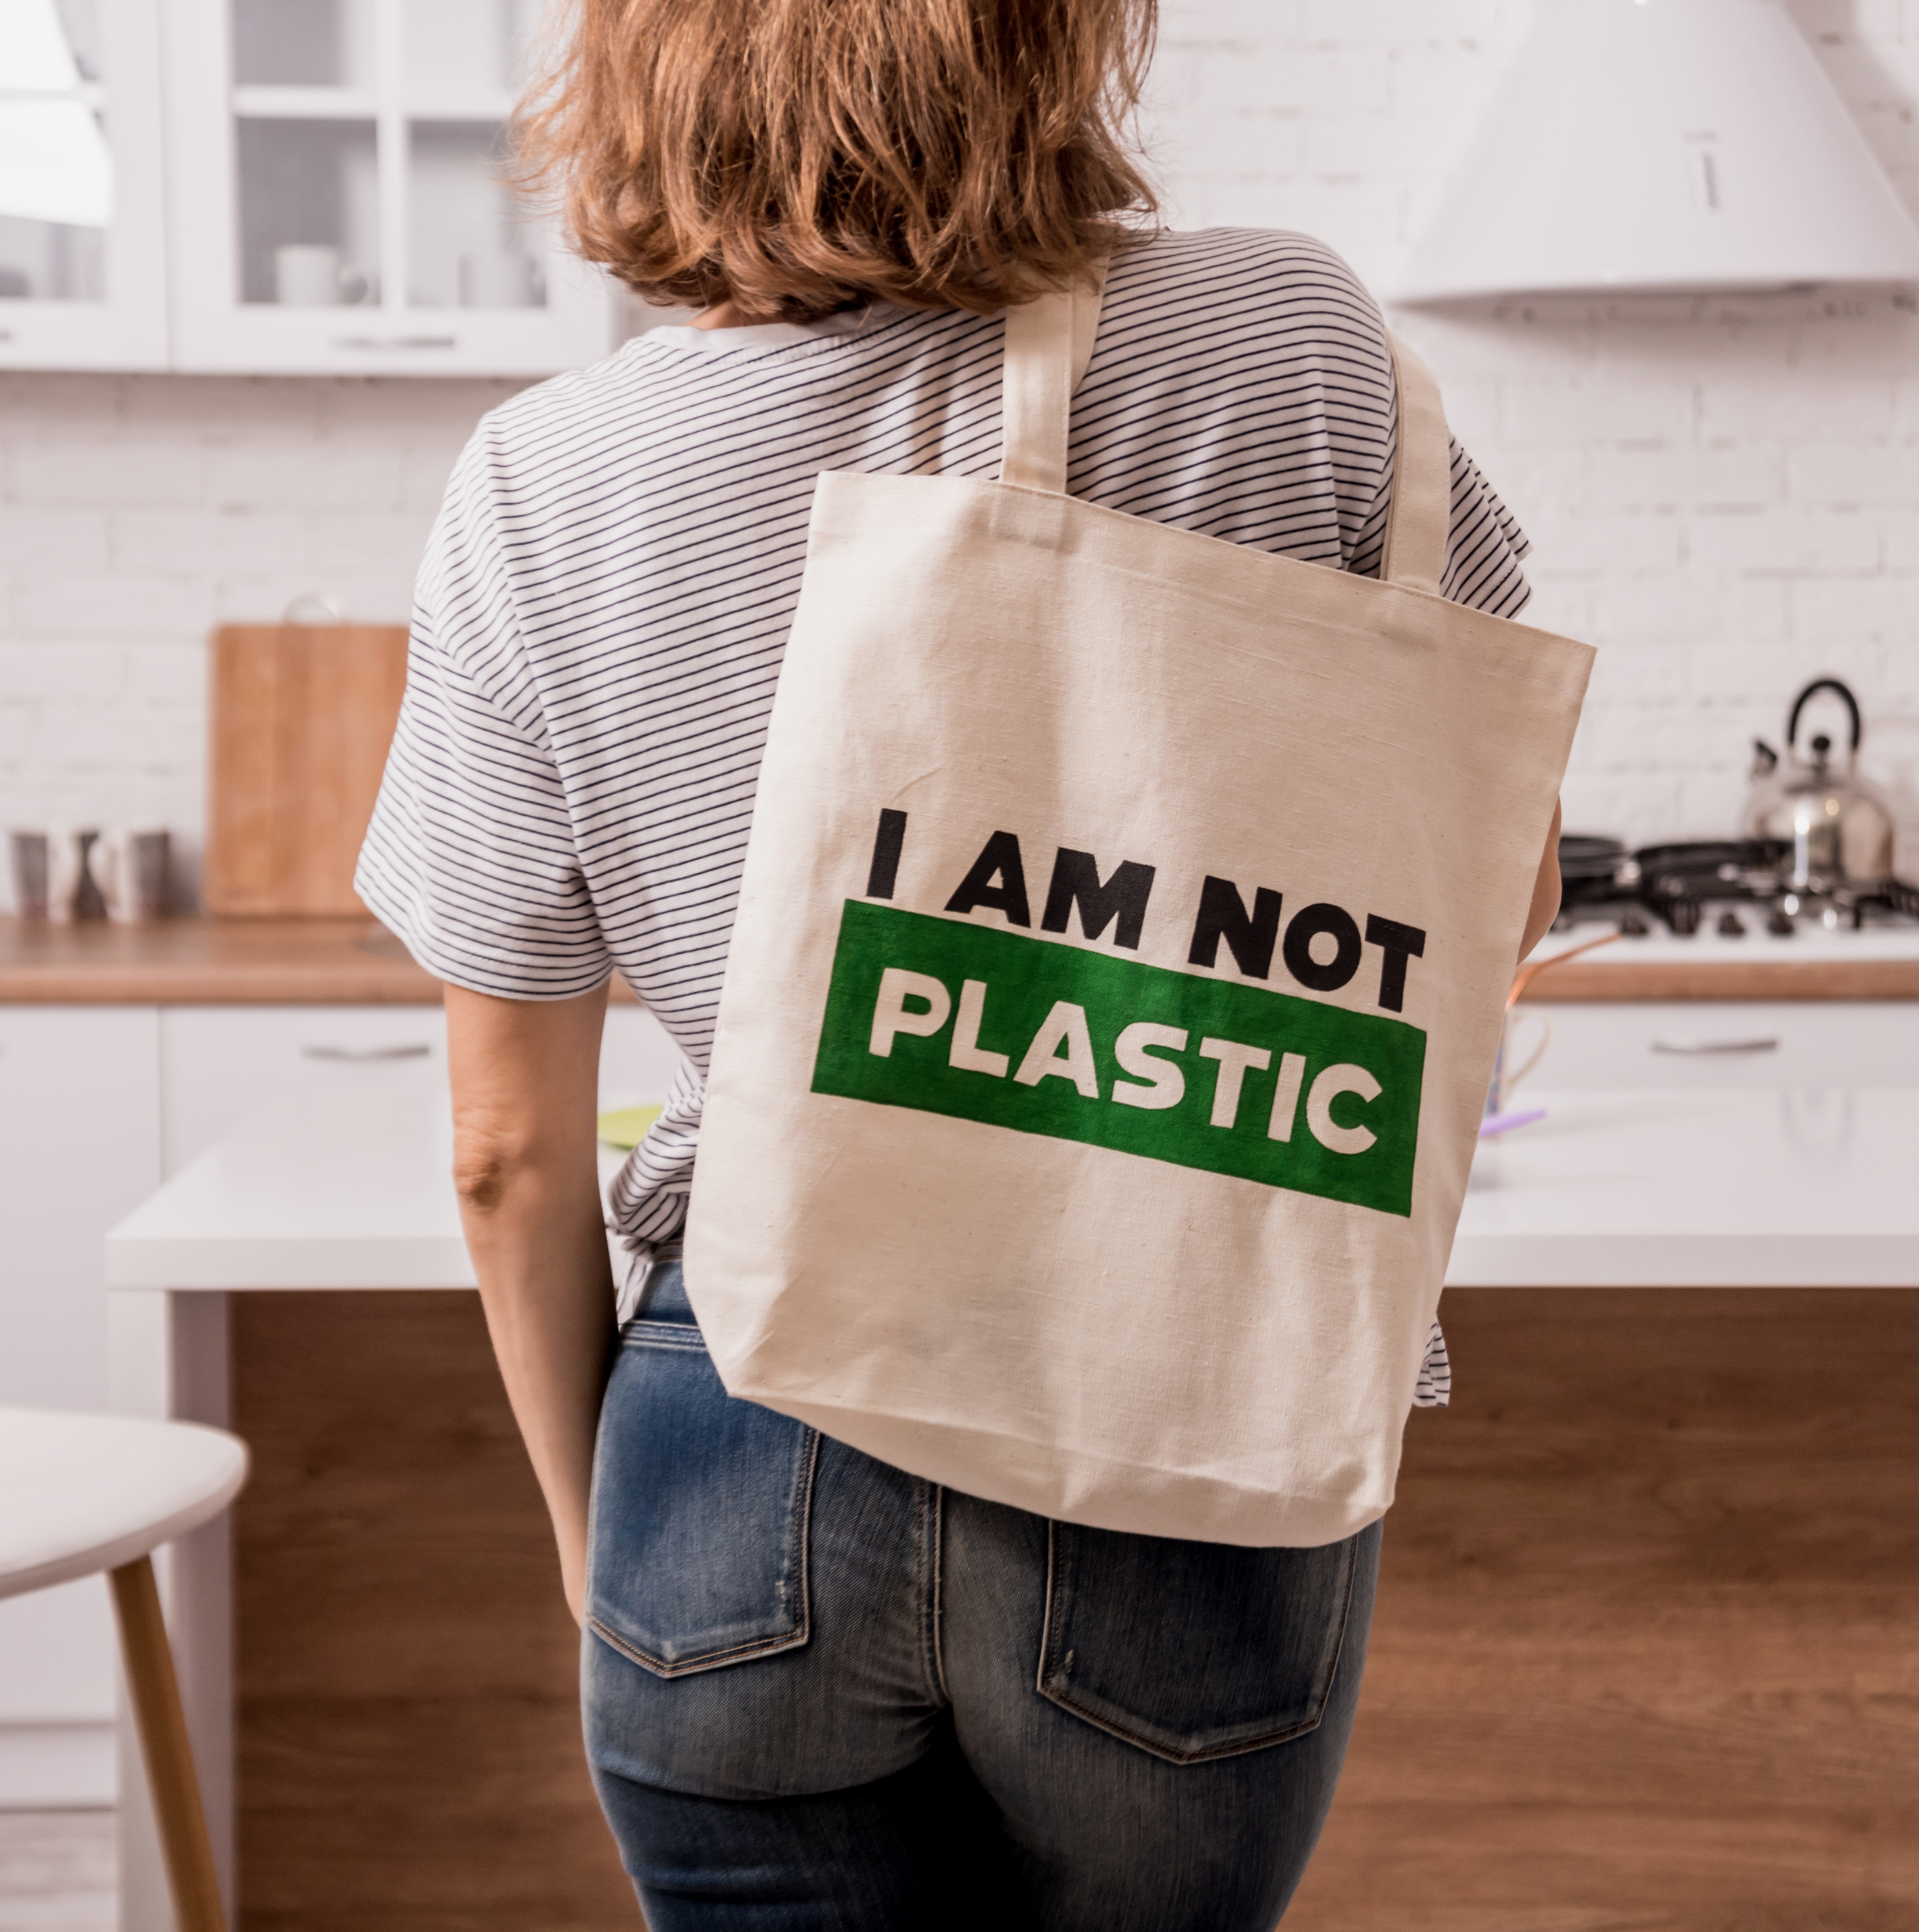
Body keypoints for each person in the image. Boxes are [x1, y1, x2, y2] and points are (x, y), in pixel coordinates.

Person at [355, 1, 1562, 1923]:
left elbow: (500, 1148)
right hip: (1186, 1414)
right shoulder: (1287, 340)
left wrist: (612, 1548)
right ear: (1047, 44)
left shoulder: (540, 482)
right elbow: (1486, 899)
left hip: (728, 1431)